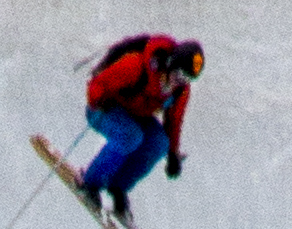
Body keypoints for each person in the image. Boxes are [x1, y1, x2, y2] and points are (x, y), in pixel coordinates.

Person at [76, 35, 204, 215]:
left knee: (159, 143)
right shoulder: (137, 65)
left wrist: (173, 154)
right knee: (130, 136)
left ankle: (118, 186)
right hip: (104, 110)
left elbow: (173, 122)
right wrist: (99, 100)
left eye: (187, 78)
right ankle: (90, 182)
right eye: (179, 74)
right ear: (170, 64)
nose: (180, 81)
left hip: (136, 115)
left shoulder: (180, 90)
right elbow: (98, 84)